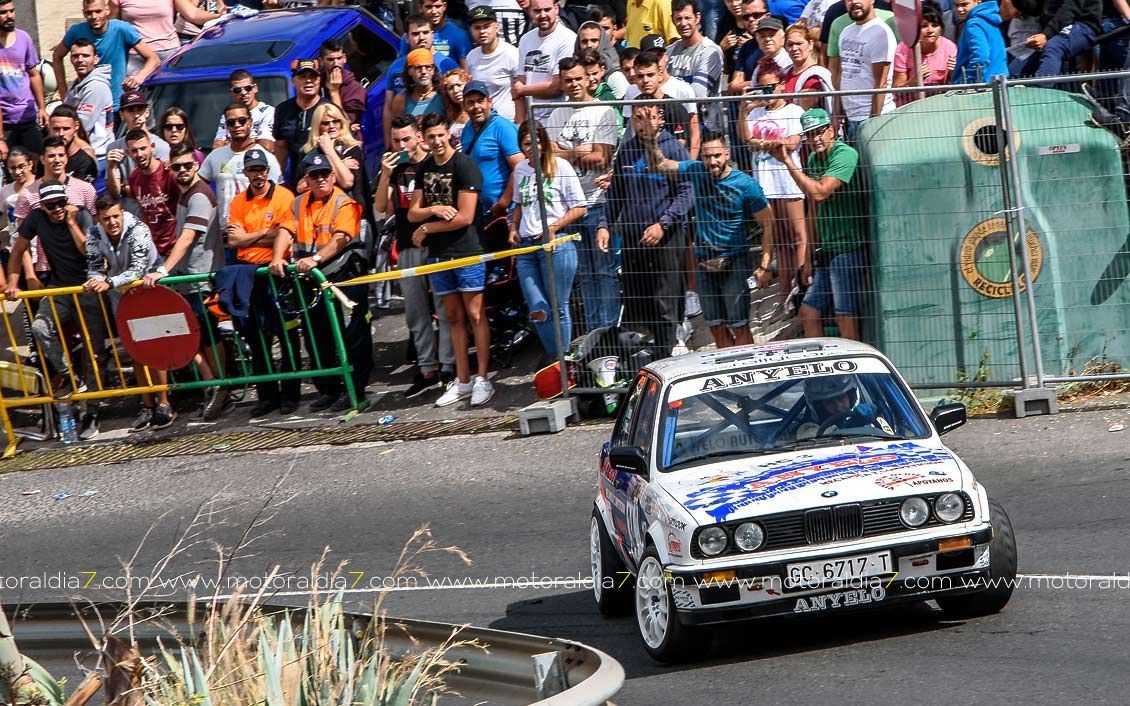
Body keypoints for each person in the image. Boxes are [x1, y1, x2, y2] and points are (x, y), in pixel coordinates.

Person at [644, 124, 775, 349]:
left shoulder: (745, 184)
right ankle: (729, 368)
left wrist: (764, 265)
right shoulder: (696, 170)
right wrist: (650, 141)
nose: (712, 162)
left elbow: (768, 224)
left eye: (716, 156)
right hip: (704, 261)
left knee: (739, 325)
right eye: (707, 157)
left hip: (734, 260)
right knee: (716, 327)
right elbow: (661, 165)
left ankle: (747, 366)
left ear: (727, 154)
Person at [269, 150, 373, 413]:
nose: (320, 179)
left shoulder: (344, 203)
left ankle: (355, 390)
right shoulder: (298, 203)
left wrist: (315, 259)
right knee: (317, 337)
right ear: (307, 179)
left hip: (343, 279)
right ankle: (329, 390)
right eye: (314, 175)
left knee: (352, 336)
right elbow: (285, 230)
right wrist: (278, 257)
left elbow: (341, 237)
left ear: (333, 176)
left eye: (325, 173)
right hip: (311, 281)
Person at [407, 114, 494, 408]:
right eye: (431, 136)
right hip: (439, 253)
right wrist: (434, 210)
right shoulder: (424, 168)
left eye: (440, 135)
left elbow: (465, 217)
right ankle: (463, 379)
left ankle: (483, 378)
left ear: (449, 135)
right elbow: (413, 212)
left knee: (475, 314)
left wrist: (427, 227)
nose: (436, 141)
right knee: (452, 317)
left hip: (467, 250)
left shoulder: (465, 165)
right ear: (424, 138)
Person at [597, 104, 694, 358]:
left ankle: (668, 350)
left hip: (666, 236)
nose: (643, 124)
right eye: (638, 118)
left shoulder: (674, 148)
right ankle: (653, 349)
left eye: (649, 117)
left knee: (665, 300)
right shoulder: (627, 151)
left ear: (660, 119)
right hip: (633, 237)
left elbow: (687, 192)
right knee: (638, 299)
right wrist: (604, 224)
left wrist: (664, 223)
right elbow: (616, 194)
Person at [143, 143, 229, 421]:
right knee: (192, 335)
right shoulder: (185, 194)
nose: (182, 170)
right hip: (189, 278)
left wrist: (163, 270)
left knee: (207, 335)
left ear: (196, 166)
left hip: (202, 278)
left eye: (187, 165)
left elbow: (188, 237)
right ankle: (214, 384)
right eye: (177, 166)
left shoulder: (199, 195)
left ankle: (221, 387)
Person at [374, 116, 454, 399]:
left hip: (437, 244)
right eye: (396, 140)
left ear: (419, 137)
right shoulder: (395, 167)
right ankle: (426, 368)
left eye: (406, 139)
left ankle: (448, 366)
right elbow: (380, 206)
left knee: (444, 308)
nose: (401, 145)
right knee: (416, 312)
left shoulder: (432, 162)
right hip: (407, 245)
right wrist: (385, 175)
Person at [770, 108, 868, 341]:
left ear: (831, 130)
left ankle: (851, 363)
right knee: (808, 312)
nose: (815, 139)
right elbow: (813, 210)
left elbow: (820, 192)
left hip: (848, 248)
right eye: (810, 134)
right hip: (826, 250)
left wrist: (787, 161)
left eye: (819, 132)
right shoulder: (814, 159)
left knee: (844, 315)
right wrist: (807, 259)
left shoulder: (845, 155)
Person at [4, 181, 105, 401]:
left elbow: (89, 252)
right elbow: (17, 251)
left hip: (88, 286)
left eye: (61, 202)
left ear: (67, 201)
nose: (57, 209)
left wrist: (71, 223)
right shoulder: (36, 218)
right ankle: (69, 374)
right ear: (42, 206)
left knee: (94, 348)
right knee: (39, 328)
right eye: (51, 205)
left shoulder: (81, 214)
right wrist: (13, 283)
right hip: (59, 287)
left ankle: (94, 404)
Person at [224, 147, 302, 417]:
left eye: (261, 169)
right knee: (256, 338)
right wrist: (267, 233)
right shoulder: (238, 202)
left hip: (276, 272)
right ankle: (267, 397)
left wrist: (250, 236)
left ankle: (290, 395)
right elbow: (233, 241)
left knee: (287, 334)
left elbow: (285, 234)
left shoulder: (284, 196)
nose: (258, 175)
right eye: (252, 170)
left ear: (268, 171)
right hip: (249, 273)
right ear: (245, 173)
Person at [547, 58, 620, 332]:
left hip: (599, 202)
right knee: (586, 273)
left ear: (588, 79)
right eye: (568, 80)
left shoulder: (603, 111)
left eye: (578, 78)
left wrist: (564, 152)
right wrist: (579, 152)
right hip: (570, 206)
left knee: (604, 270)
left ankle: (609, 330)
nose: (574, 84)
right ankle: (593, 333)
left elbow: (602, 158)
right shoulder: (555, 114)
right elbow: (549, 157)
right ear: (561, 82)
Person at [82, 194, 165, 433]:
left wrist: (107, 282)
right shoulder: (93, 233)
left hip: (149, 288)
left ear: (122, 213)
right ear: (99, 219)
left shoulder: (138, 228)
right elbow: (94, 266)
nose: (112, 222)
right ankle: (147, 405)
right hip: (121, 294)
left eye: (116, 216)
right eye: (106, 218)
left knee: (155, 348)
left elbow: (137, 270)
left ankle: (164, 403)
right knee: (134, 349)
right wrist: (94, 281)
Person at [508, 121, 586, 357]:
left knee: (558, 306)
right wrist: (513, 226)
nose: (533, 148)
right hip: (526, 246)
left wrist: (553, 226)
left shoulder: (561, 166)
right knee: (538, 309)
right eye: (527, 144)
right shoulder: (520, 169)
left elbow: (580, 207)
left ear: (544, 142)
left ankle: (562, 362)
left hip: (556, 244)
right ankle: (556, 360)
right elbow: (519, 204)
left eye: (537, 141)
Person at [738, 59, 806, 304]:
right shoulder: (756, 113)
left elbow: (793, 142)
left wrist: (765, 143)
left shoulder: (794, 111)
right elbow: (746, 138)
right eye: (762, 88)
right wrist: (743, 111)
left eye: (771, 87)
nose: (767, 93)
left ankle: (802, 289)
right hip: (765, 181)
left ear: (782, 85)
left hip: (788, 181)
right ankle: (785, 294)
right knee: (780, 241)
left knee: (797, 236)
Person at [14, 138, 98, 291]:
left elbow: (96, 232)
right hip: (45, 268)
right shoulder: (27, 194)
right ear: (42, 159)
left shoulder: (86, 189)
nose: (57, 160)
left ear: (67, 157)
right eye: (52, 156)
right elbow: (22, 241)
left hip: (83, 268)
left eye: (61, 155)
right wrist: (30, 275)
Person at [53, 0, 161, 112]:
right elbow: (57, 56)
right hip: (86, 102)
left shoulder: (122, 29)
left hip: (116, 103)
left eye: (98, 11)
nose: (94, 16)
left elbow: (153, 59)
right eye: (89, 12)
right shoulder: (76, 31)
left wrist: (139, 77)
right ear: (84, 13)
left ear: (107, 10)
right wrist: (64, 94)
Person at [199, 102, 284, 229]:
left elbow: (279, 195)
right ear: (226, 126)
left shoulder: (266, 157)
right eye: (231, 122)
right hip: (225, 230)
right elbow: (198, 187)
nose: (237, 125)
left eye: (242, 121)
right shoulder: (215, 156)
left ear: (250, 122)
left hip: (257, 230)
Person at [383, 14, 460, 146]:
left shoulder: (448, 65)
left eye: (425, 32)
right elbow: (389, 110)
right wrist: (389, 145)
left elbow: (457, 111)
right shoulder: (395, 67)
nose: (421, 37)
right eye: (416, 34)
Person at [460, 80, 523, 231]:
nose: (476, 107)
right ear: (464, 106)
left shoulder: (503, 126)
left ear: (490, 102)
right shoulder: (467, 129)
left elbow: (520, 167)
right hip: (479, 213)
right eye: (470, 102)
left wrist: (503, 203)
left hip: (505, 213)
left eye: (480, 101)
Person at [831, 0, 896, 141]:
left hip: (872, 118)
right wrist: (836, 113)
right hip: (850, 117)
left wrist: (873, 124)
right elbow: (842, 72)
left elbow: (881, 83)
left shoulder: (880, 33)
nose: (854, 2)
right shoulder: (845, 32)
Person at [514, 0, 578, 124]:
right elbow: (519, 83)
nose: (542, 15)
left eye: (547, 10)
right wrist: (521, 124)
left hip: (557, 119)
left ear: (556, 9)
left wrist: (523, 90)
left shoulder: (567, 39)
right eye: (537, 11)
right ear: (530, 11)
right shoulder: (525, 39)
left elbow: (557, 87)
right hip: (531, 120)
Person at [110, 0, 220, 70]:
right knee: (135, 97)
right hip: (135, 55)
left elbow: (193, 14)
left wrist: (219, 16)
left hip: (169, 53)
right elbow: (114, 25)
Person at [105, 90, 171, 205]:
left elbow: (161, 187)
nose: (136, 115)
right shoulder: (114, 147)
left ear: (147, 112)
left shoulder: (161, 146)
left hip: (157, 208)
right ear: (121, 115)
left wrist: (127, 188)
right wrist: (111, 167)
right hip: (128, 210)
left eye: (140, 110)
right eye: (130, 110)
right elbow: (114, 193)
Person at [667, 0, 725, 128]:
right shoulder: (669, 51)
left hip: (707, 129)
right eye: (678, 19)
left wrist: (667, 92)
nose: (683, 23)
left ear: (697, 18)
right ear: (672, 20)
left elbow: (698, 94)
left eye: (687, 18)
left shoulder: (710, 51)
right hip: (677, 128)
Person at [0, 0, 46, 157]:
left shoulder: (23, 38)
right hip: (4, 123)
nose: (9, 16)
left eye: (11, 11)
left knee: (37, 161)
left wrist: (42, 108)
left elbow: (33, 74)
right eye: (3, 12)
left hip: (27, 116)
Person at [273, 59, 329, 189]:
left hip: (325, 178)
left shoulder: (329, 108)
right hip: (296, 180)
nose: (308, 81)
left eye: (313, 77)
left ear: (319, 80)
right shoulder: (283, 109)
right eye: (302, 77)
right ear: (293, 81)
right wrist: (278, 179)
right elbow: (281, 146)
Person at [1012, 0, 1101, 78]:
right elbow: (1035, 8)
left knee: (1053, 47)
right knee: (1017, 67)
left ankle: (1041, 89)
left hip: (1082, 24)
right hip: (1053, 29)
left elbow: (1069, 10)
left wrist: (1046, 35)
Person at [62, 39, 114, 167]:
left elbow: (82, 125)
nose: (80, 60)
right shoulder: (77, 85)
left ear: (95, 59)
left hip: (98, 155)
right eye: (75, 56)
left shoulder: (96, 86)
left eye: (85, 56)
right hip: (82, 152)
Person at [892, 0, 956, 101]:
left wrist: (953, 73)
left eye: (935, 25)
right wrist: (914, 81)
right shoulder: (903, 49)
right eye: (924, 26)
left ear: (941, 28)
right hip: (910, 106)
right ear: (915, 28)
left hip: (940, 104)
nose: (930, 30)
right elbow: (897, 91)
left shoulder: (950, 48)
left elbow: (954, 86)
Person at [466, 6, 521, 121]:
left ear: (497, 27)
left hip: (508, 121)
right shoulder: (471, 57)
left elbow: (520, 93)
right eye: (477, 28)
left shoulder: (512, 54)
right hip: (481, 122)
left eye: (486, 26)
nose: (482, 31)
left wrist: (519, 123)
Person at [796, 373, 879, 438]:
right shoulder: (806, 429)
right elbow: (821, 439)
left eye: (841, 398)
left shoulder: (863, 416)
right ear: (820, 407)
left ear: (850, 397)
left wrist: (877, 413)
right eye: (829, 402)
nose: (838, 407)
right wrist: (852, 425)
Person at [213, 69, 276, 151]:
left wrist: (233, 143)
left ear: (255, 88)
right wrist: (253, 141)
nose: (243, 93)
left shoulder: (268, 112)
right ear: (231, 93)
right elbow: (217, 147)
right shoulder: (229, 115)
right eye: (237, 90)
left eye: (247, 88)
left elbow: (266, 146)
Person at [781, 19, 834, 112]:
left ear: (810, 44)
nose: (794, 48)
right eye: (790, 44)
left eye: (799, 43)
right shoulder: (784, 73)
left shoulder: (817, 74)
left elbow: (804, 110)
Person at [399, 0, 473, 64]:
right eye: (428, 7)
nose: (434, 11)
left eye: (438, 6)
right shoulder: (410, 36)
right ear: (420, 8)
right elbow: (401, 65)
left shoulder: (459, 35)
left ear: (444, 6)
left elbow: (465, 70)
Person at [952, 0, 1009, 83]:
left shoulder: (973, 24)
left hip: (982, 85)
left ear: (977, 1)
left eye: (964, 4)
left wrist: (969, 82)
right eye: (956, 5)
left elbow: (980, 57)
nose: (959, 9)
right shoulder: (989, 20)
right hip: (999, 81)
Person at [391, 48, 448, 127]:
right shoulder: (401, 100)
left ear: (433, 70)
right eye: (418, 67)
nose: (424, 72)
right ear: (409, 71)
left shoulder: (444, 96)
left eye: (428, 67)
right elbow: (397, 129)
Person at [576, 21, 632, 98]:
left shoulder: (614, 76)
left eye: (594, 40)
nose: (589, 45)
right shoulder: (574, 68)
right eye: (584, 41)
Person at [319, 38, 367, 127]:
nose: (336, 63)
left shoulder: (355, 88)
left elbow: (345, 123)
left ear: (344, 58)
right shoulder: (317, 83)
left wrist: (334, 92)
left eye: (339, 58)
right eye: (330, 59)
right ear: (321, 61)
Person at [728, 0, 773, 94]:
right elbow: (734, 86)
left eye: (756, 15)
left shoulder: (782, 42)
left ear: (768, 16)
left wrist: (751, 84)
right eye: (746, 17)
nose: (751, 19)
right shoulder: (745, 47)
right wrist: (763, 82)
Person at [48, 105, 100, 184]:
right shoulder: (45, 156)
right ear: (49, 127)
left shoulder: (85, 158)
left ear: (76, 126)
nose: (61, 133)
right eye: (56, 129)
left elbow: (84, 189)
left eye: (66, 128)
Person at [442, 68, 473, 145]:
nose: (455, 90)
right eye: (450, 88)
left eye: (459, 85)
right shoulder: (451, 114)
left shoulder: (477, 110)